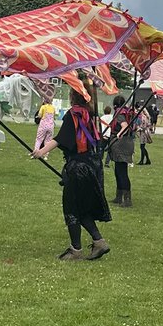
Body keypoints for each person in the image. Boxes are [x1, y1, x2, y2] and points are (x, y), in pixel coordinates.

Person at [31, 88, 111, 261]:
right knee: (82, 208)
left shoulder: (73, 115)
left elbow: (61, 139)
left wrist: (40, 151)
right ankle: (99, 242)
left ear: (73, 96)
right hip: (91, 166)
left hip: (77, 169)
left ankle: (76, 249)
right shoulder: (90, 115)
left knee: (72, 208)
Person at [109, 95, 135, 206]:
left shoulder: (119, 113)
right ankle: (119, 196)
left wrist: (119, 134)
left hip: (121, 143)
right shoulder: (127, 112)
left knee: (122, 172)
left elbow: (125, 126)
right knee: (118, 171)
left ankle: (127, 199)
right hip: (127, 142)